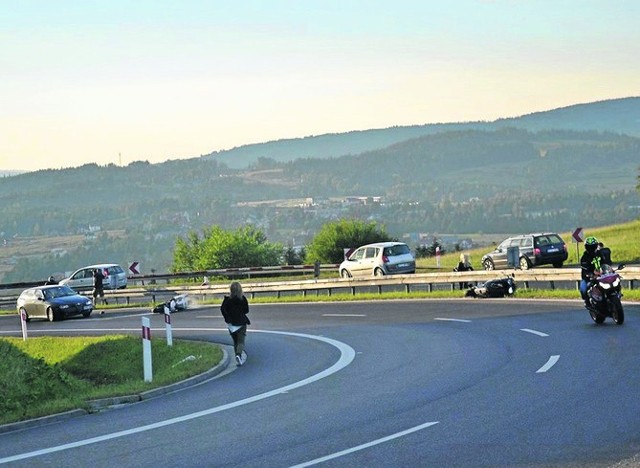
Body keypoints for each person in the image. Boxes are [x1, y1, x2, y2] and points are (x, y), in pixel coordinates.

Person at [220, 281, 251, 366]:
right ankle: (238, 354)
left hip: (231, 324)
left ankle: (237, 357)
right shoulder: (242, 299)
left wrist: (227, 318)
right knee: (241, 341)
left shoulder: (227, 300)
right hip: (241, 322)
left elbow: (223, 310)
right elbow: (246, 310)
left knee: (235, 341)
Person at [580, 236, 603, 309]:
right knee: (583, 288)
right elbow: (585, 269)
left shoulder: (600, 254)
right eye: (589, 247)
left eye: (593, 246)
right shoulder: (584, 257)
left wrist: (609, 269)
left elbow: (606, 262)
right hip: (589, 277)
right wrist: (591, 274)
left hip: (603, 275)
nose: (591, 248)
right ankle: (587, 302)